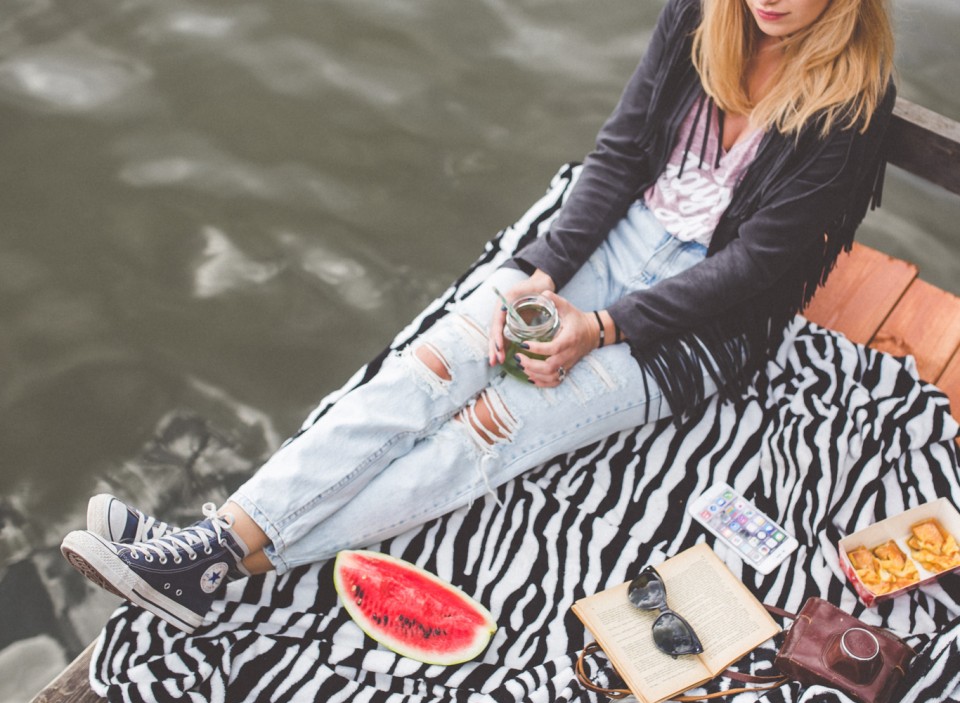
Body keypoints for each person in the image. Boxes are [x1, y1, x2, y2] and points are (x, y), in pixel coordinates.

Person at [62, 0, 896, 634]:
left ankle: (220, 559)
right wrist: (540, 275)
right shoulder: (701, 16)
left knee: (490, 427)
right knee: (436, 364)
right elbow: (621, 152)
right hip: (622, 233)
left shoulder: (854, 104)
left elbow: (755, 271)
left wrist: (601, 328)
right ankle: (216, 544)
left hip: (704, 322)